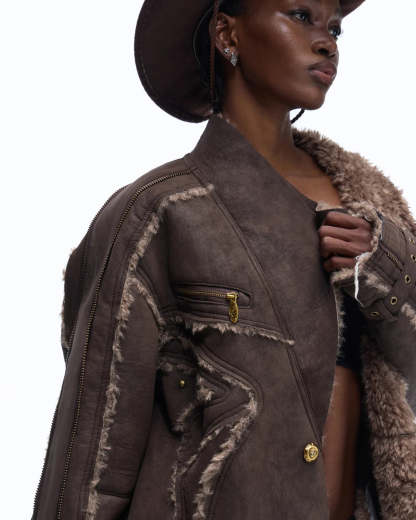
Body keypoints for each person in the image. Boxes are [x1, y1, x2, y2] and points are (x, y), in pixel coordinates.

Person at [32, 1, 416, 519]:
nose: (327, 42)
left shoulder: (379, 216)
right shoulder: (157, 214)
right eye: (300, 15)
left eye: (335, 28)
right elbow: (93, 459)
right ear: (226, 34)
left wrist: (390, 271)